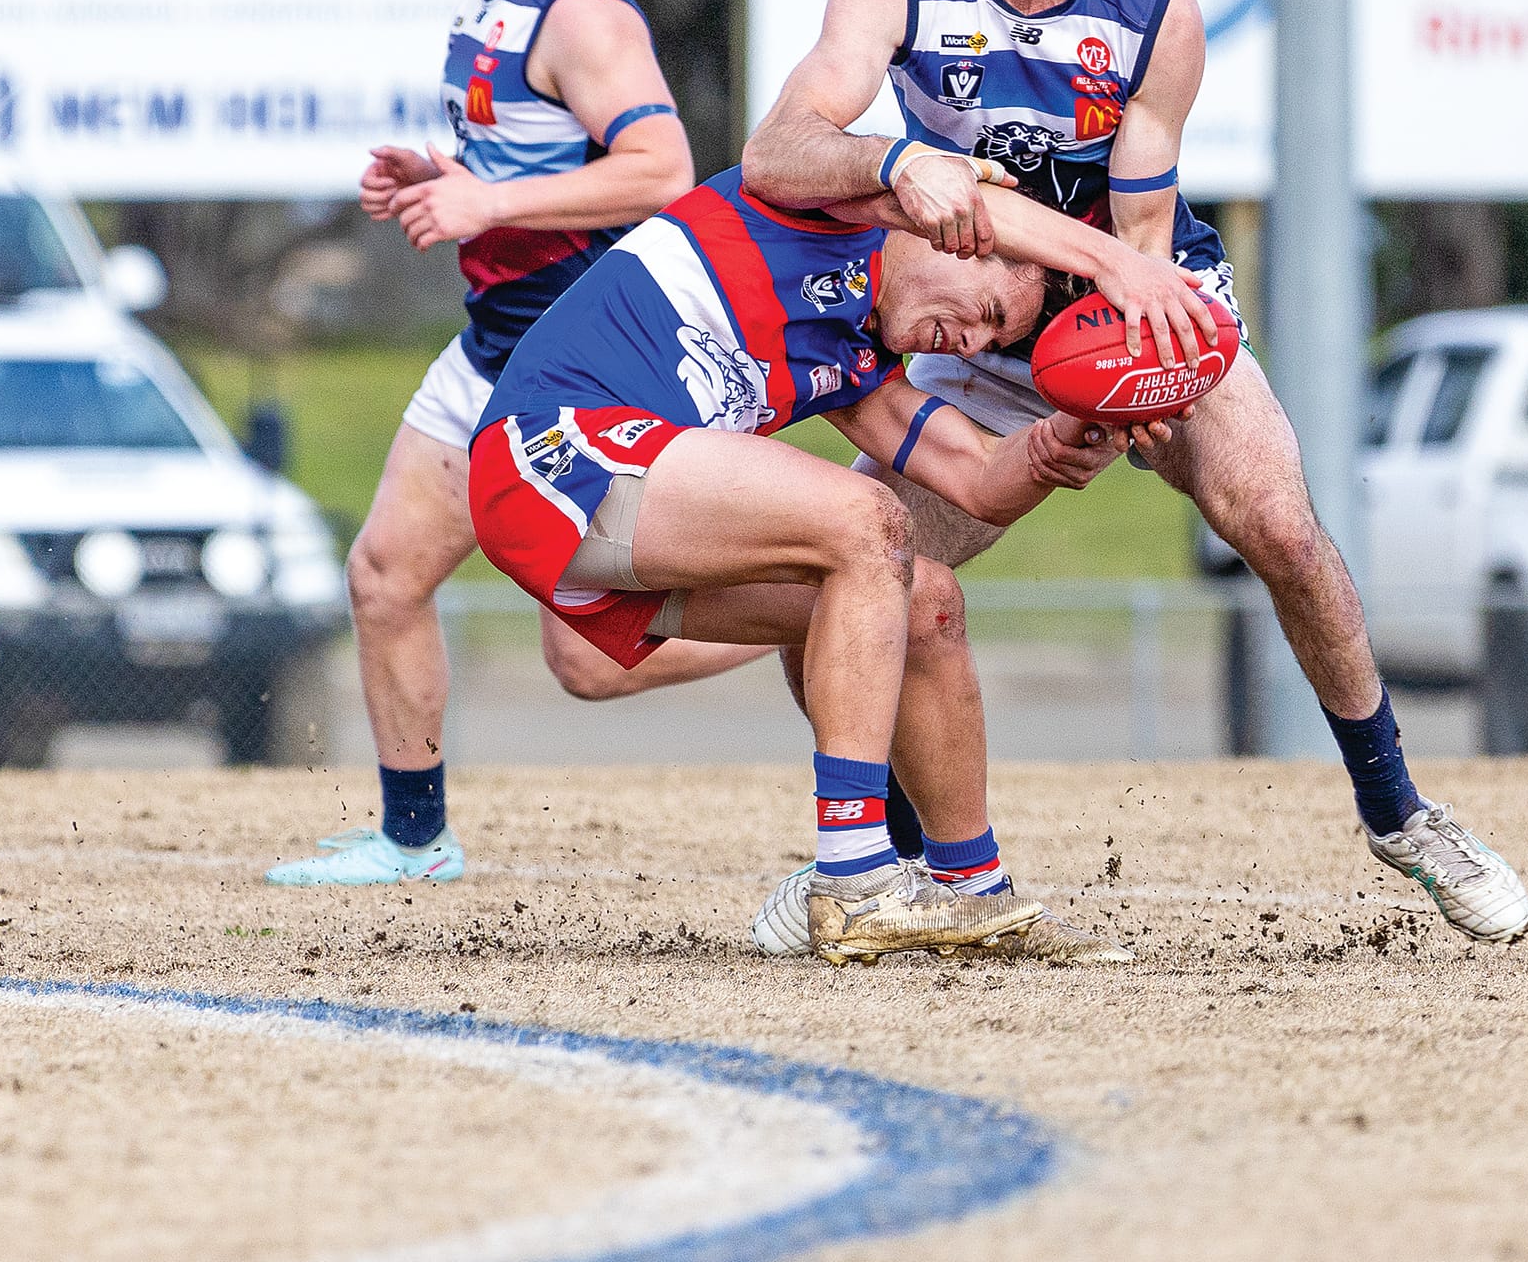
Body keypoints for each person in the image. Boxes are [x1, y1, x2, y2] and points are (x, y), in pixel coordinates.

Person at [739, 0, 1528, 945]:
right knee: (862, 563)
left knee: (1278, 522)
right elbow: (778, 151)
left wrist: (1124, 381)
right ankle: (891, 865)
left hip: (1137, 291)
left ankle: (1399, 811)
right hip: (976, 321)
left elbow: (1145, 220)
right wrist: (896, 159)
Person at [466, 164, 1155, 961]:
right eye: (988, 314)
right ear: (954, 234)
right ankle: (857, 879)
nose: (971, 344)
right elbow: (791, 142)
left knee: (926, 603)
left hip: (617, 515)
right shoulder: (815, 205)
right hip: (549, 453)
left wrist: (1059, 442)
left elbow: (975, 479)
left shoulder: (853, 357)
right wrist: (1107, 257)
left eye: (993, 342)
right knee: (869, 521)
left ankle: (973, 892)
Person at [269, 0, 704, 887]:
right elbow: (538, 165)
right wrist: (448, 176)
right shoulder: (484, 1)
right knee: (382, 574)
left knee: (584, 662)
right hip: (487, 351)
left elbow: (664, 172)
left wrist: (486, 205)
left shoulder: (582, 16)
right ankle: (414, 838)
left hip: (574, 374)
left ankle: (834, 609)